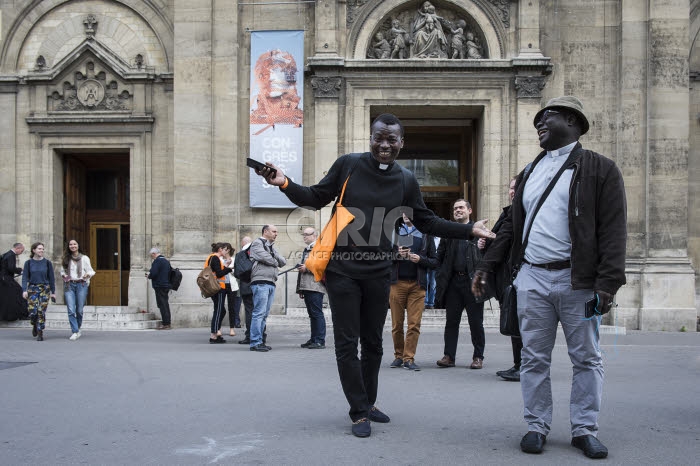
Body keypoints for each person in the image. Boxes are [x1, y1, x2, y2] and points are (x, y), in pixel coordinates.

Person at [253, 113, 495, 438]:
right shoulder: (349, 165)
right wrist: (283, 181)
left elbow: (426, 221)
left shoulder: (406, 180)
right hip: (342, 271)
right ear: (370, 138)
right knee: (346, 343)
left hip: (380, 271)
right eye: (378, 138)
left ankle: (369, 402)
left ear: (401, 143)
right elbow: (314, 197)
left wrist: (467, 230)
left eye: (391, 139)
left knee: (374, 344)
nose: (384, 145)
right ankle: (358, 411)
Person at [472, 96, 627, 459]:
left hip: (579, 282)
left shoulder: (601, 169)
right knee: (533, 359)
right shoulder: (529, 171)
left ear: (573, 122)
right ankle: (536, 425)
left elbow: (614, 231)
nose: (539, 123)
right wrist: (486, 266)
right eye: (538, 119)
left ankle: (584, 428)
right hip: (532, 280)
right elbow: (510, 227)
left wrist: (607, 284)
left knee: (587, 358)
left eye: (548, 117)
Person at [434, 199, 488, 370]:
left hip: (474, 283)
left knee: (476, 322)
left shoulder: (480, 231)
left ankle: (478, 357)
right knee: (451, 322)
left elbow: (490, 256)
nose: (457, 210)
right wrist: (440, 277)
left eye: (461, 208)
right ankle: (449, 356)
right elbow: (439, 258)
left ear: (469, 211)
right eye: (455, 208)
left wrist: (483, 247)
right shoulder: (449, 233)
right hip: (453, 283)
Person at [478, 177, 522, 381]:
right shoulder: (508, 213)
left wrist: (485, 266)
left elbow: (507, 240)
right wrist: (484, 243)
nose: (512, 191)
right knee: (514, 322)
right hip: (506, 277)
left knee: (520, 323)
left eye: (516, 188)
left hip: (518, 276)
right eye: (510, 188)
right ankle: (519, 364)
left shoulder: (522, 212)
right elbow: (499, 242)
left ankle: (524, 365)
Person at [388, 213, 438, 371]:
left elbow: (435, 261)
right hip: (397, 284)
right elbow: (383, 257)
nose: (405, 215)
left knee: (414, 324)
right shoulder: (394, 232)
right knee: (397, 324)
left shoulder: (425, 234)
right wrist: (397, 255)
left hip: (417, 286)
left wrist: (420, 260)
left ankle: (408, 358)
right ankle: (398, 356)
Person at [248, 225, 286, 352]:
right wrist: (275, 261)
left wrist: (273, 257)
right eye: (274, 231)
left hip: (270, 282)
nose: (276, 234)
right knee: (258, 313)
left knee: (264, 315)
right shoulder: (257, 243)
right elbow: (266, 258)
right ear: (265, 231)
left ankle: (260, 341)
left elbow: (283, 261)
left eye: (277, 231)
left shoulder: (271, 246)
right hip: (260, 282)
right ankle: (255, 342)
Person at [297, 227, 327, 349]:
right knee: (312, 314)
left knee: (316, 313)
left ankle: (319, 340)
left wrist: (307, 268)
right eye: (303, 234)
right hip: (308, 286)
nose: (304, 236)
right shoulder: (307, 249)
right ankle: (314, 338)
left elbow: (322, 265)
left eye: (307, 234)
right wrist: (301, 288)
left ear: (315, 235)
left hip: (315, 286)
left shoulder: (319, 248)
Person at [60, 239, 95, 340]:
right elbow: (62, 271)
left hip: (81, 284)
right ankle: (75, 331)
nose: (73, 246)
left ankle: (78, 328)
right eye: (71, 244)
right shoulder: (66, 258)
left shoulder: (84, 258)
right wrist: (64, 276)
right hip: (69, 285)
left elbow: (91, 271)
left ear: (78, 246)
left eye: (74, 244)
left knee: (79, 310)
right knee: (71, 309)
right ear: (68, 246)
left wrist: (87, 274)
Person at [21, 242, 55, 341]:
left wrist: (53, 292)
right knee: (33, 311)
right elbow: (24, 277)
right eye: (39, 249)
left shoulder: (47, 263)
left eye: (42, 249)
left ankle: (40, 331)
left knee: (41, 311)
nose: (42, 250)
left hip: (45, 288)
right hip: (32, 288)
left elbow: (51, 278)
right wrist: (24, 290)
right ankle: (34, 324)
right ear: (34, 250)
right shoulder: (28, 263)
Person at [205, 243, 233, 343]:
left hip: (215, 287)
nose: (226, 252)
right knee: (219, 310)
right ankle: (213, 335)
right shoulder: (215, 258)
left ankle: (215, 333)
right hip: (218, 288)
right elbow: (219, 273)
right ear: (220, 249)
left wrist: (226, 266)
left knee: (221, 310)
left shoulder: (212, 258)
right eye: (225, 250)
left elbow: (217, 271)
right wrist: (229, 269)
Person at [147, 247, 172, 330]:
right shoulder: (166, 261)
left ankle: (166, 324)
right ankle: (167, 323)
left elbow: (153, 273)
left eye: (152, 256)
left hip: (159, 285)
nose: (152, 257)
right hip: (166, 285)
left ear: (154, 254)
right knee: (165, 304)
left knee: (162, 305)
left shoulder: (157, 261)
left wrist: (149, 275)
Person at [0, 243, 27, 321]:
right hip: (7, 279)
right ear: (18, 248)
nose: (21, 253)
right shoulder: (12, 255)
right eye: (21, 251)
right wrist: (20, 270)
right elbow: (11, 268)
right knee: (20, 293)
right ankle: (23, 314)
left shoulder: (7, 254)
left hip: (4, 279)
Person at [219, 243, 240, 337]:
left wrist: (229, 268)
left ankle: (232, 328)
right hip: (221, 285)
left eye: (226, 249)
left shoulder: (234, 259)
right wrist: (228, 268)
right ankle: (218, 328)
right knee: (220, 307)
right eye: (223, 249)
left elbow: (236, 272)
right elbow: (219, 272)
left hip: (232, 286)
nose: (224, 251)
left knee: (232, 307)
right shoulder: (219, 259)